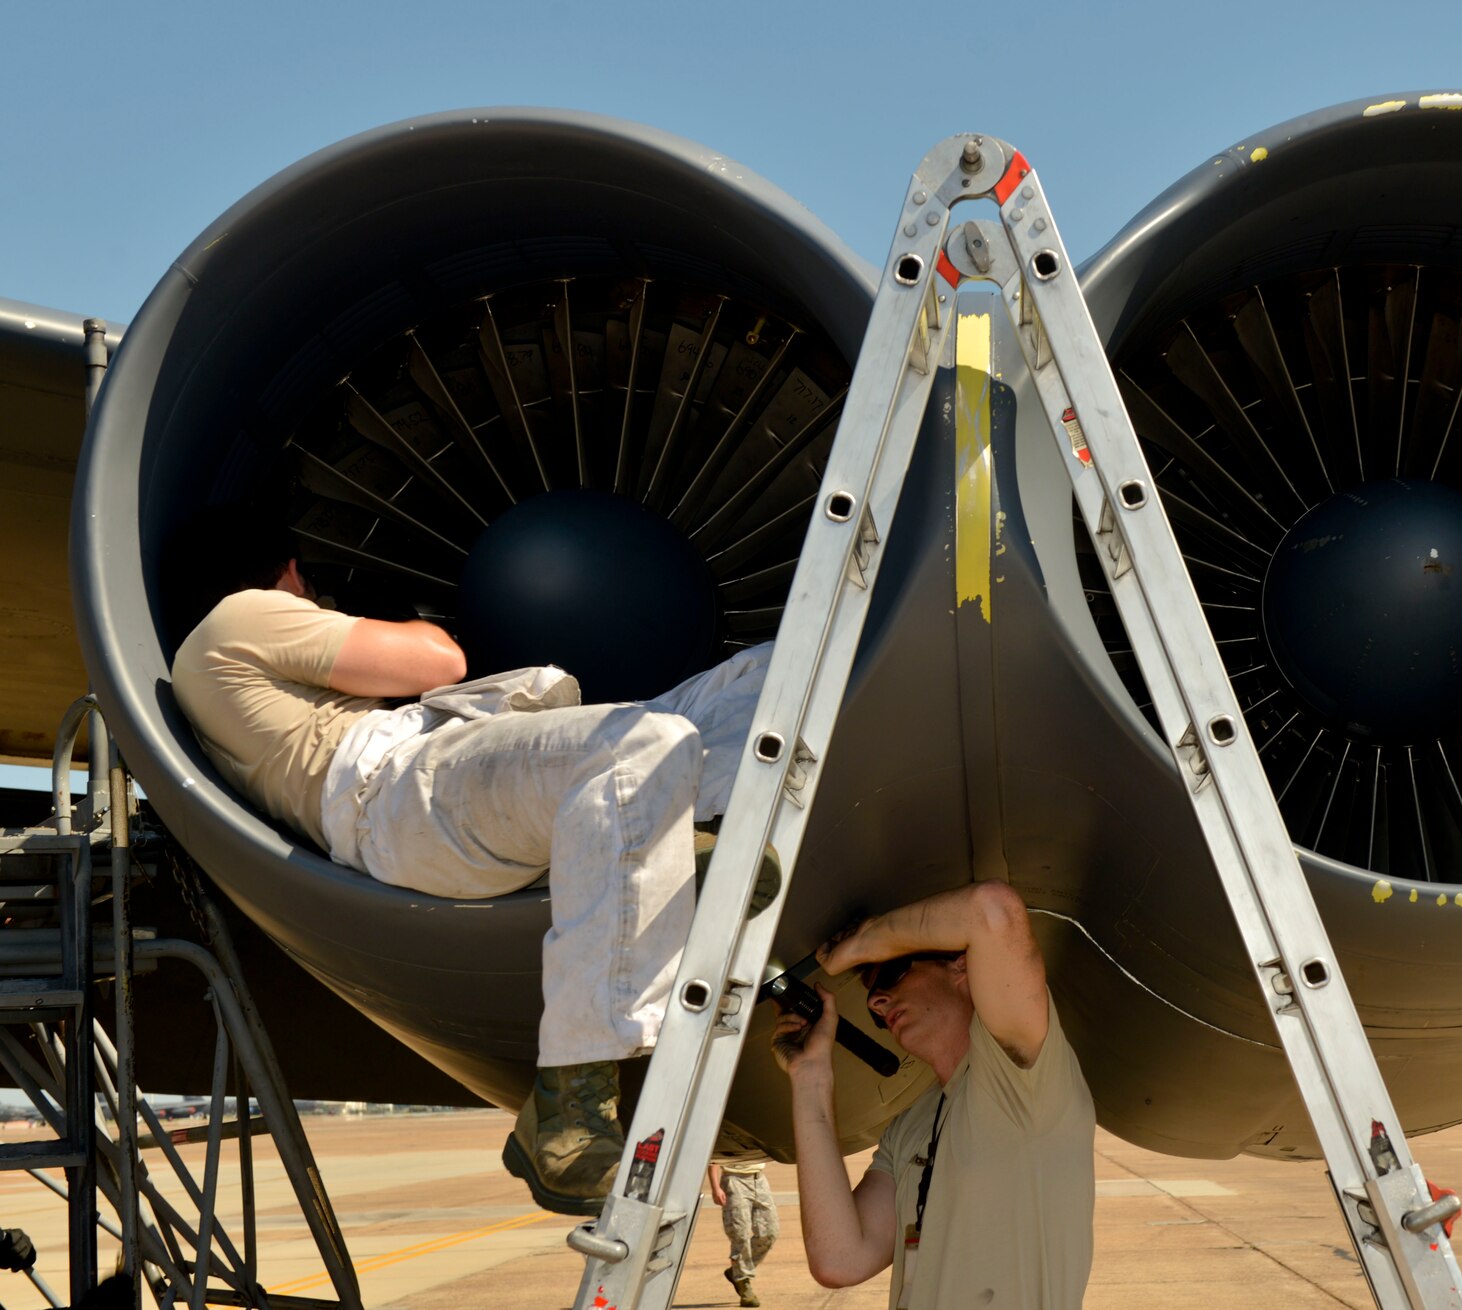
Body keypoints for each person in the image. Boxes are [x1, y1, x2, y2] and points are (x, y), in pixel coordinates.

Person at [167, 508, 771, 1216]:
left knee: (759, 680)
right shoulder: (240, 618)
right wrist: (406, 625)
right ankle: (570, 1106)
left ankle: (672, 849)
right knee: (640, 745)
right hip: (397, 791)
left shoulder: (225, 671)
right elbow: (439, 661)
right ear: (290, 575)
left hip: (428, 791)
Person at [771, 881, 1095, 1309]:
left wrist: (867, 938)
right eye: (873, 1006)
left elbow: (993, 911)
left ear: (960, 965)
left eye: (890, 973)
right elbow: (841, 1259)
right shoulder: (911, 1126)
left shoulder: (1024, 1079)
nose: (880, 1002)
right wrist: (810, 1079)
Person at [707, 1159, 778, 1306]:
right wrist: (715, 1187)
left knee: (770, 1232)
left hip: (759, 1179)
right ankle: (743, 1283)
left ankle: (736, 1271)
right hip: (734, 1180)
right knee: (740, 1235)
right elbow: (715, 1157)